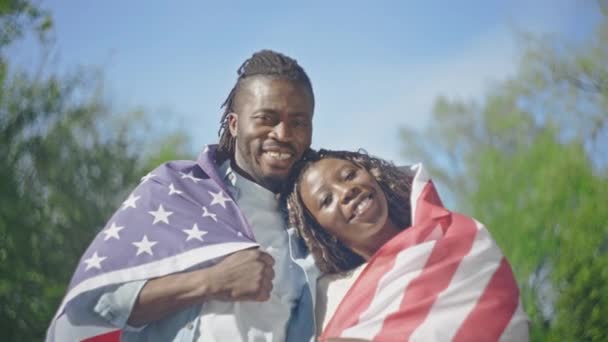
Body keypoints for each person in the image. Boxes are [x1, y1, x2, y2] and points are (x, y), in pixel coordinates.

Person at [47, 50, 319, 342]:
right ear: (234, 124)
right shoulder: (175, 191)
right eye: (267, 118)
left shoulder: (321, 220)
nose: (283, 133)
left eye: (299, 122)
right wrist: (210, 281)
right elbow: (99, 304)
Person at [285, 149, 529, 342]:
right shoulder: (330, 296)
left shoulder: (457, 237)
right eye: (326, 200)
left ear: (372, 175)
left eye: (349, 175)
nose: (346, 191)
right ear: (324, 234)